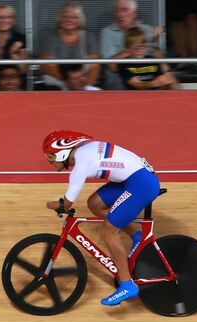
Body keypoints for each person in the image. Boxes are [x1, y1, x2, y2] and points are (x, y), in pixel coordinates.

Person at [43, 130, 160, 306]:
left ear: (63, 152)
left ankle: (127, 284)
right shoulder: (83, 152)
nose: (48, 161)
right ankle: (136, 236)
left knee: (108, 232)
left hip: (141, 184)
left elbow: (65, 205)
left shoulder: (81, 164)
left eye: (51, 157)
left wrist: (50, 204)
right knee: (95, 204)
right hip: (135, 179)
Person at [100, 0, 164, 90]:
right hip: (120, 78)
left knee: (169, 77)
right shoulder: (107, 32)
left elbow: (159, 59)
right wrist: (133, 48)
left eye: (124, 10)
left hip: (148, 74)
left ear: (135, 13)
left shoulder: (147, 29)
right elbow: (111, 66)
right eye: (116, 11)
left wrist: (154, 45)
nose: (119, 15)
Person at [39, 2, 100, 89]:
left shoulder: (89, 37)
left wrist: (85, 85)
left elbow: (94, 67)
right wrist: (68, 82)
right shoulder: (49, 37)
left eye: (74, 17)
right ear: (59, 19)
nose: (69, 20)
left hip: (83, 84)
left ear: (80, 20)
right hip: (56, 84)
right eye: (65, 16)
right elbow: (47, 66)